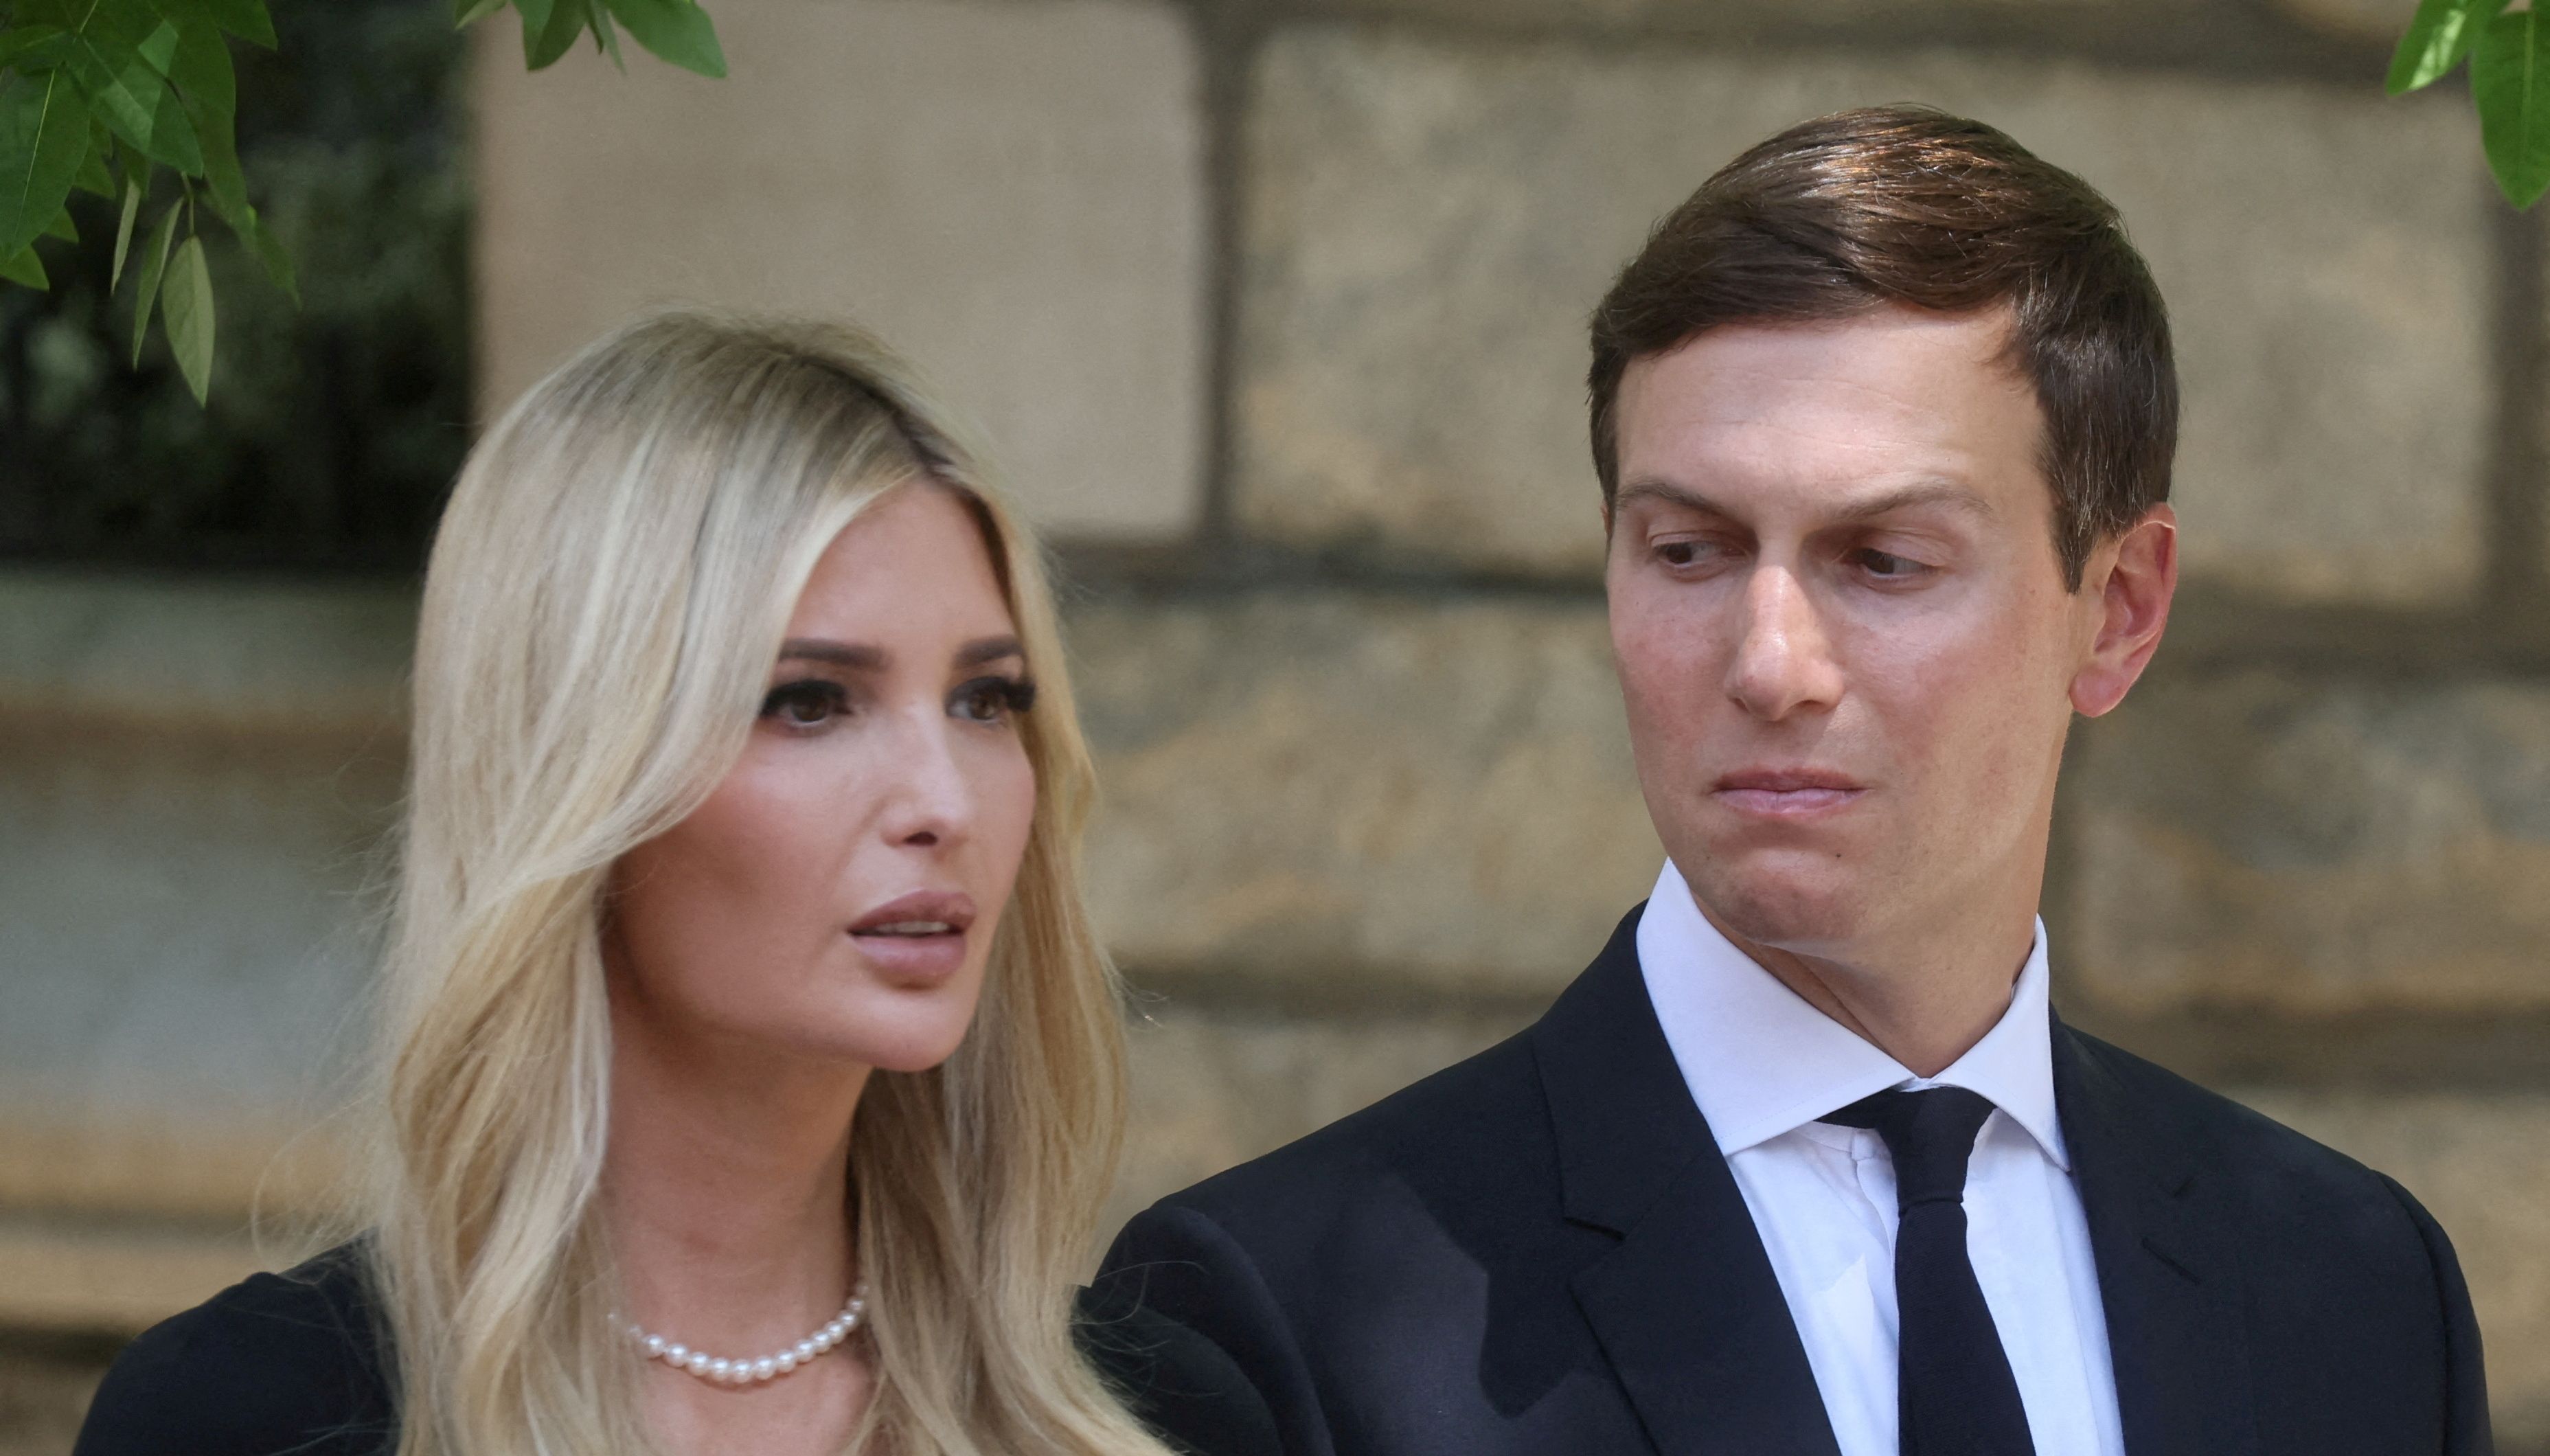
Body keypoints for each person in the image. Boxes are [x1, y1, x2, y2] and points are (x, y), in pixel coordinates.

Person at [1094, 106, 2493, 1456]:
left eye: (1883, 560)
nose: (1771, 662)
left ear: (2117, 607)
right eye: (1690, 550)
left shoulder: (2361, 1292)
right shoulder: (1263, 1318)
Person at [73, 312, 1251, 1456]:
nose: (943, 801)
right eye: (808, 701)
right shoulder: (252, 1417)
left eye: (985, 700)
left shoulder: (1166, 1416)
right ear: (576, 771)